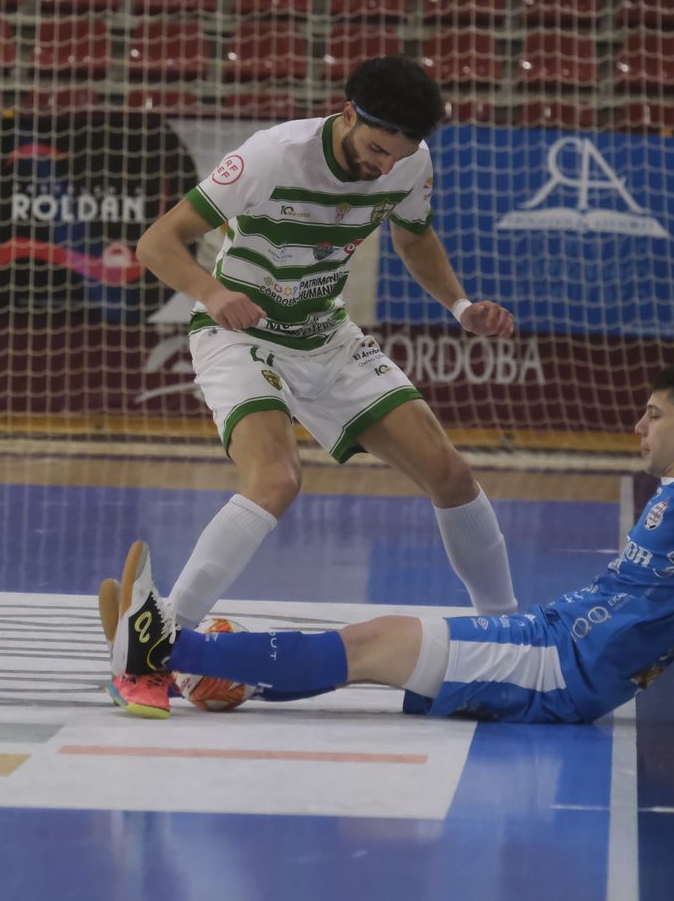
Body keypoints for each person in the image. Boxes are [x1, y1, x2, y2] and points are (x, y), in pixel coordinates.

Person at [122, 56, 519, 714]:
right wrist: (213, 293)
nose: (383, 167)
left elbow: (415, 239)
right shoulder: (272, 156)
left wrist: (460, 305)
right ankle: (153, 645)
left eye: (399, 156)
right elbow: (158, 242)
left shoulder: (407, 164)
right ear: (346, 115)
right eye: (374, 150)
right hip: (240, 331)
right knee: (276, 480)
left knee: (449, 473)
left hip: (326, 334)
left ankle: (508, 635)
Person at [100, 360, 674, 739]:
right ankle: (217, 670)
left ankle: (164, 650)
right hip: (551, 643)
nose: (639, 425)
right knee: (373, 647)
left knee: (372, 645)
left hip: (562, 672)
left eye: (655, 415)